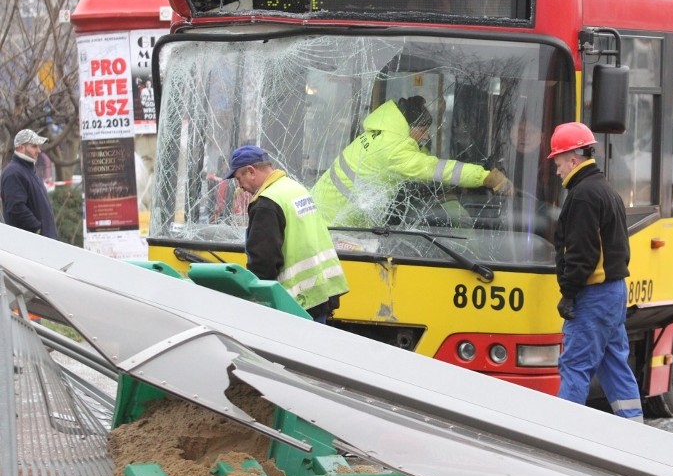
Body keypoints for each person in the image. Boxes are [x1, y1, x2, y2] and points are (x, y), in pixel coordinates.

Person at [548, 122, 643, 422]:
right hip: (613, 293)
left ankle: (564, 437)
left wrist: (569, 293)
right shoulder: (606, 190)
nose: (557, 170)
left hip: (592, 294)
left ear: (573, 160)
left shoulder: (583, 196)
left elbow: (581, 254)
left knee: (575, 365)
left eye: (559, 162)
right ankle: (634, 430)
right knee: (615, 363)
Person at [311, 96, 512, 226]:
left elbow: (413, 156)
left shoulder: (382, 133)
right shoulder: (393, 151)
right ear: (409, 127)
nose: (425, 136)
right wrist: (486, 177)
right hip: (334, 223)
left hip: (325, 211)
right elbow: (436, 168)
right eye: (422, 131)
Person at [225, 145, 349, 323]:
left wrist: (254, 302)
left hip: (295, 302)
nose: (240, 187)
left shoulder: (266, 203)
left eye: (239, 179)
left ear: (251, 171)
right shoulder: (294, 188)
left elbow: (263, 263)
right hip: (322, 293)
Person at [1, 129, 58, 239]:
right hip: (31, 245)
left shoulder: (28, 171)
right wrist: (37, 229)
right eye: (34, 146)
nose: (39, 151)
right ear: (20, 147)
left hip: (41, 243)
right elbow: (16, 207)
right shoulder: (13, 173)